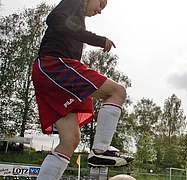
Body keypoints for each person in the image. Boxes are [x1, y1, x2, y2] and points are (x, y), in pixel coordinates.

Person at [32, 0, 131, 179]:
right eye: (100, 4)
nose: (99, 11)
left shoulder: (76, 16)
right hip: (55, 65)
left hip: (51, 70)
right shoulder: (74, 1)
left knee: (70, 141)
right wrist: (98, 40)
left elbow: (66, 28)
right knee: (117, 92)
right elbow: (54, 19)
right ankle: (100, 150)